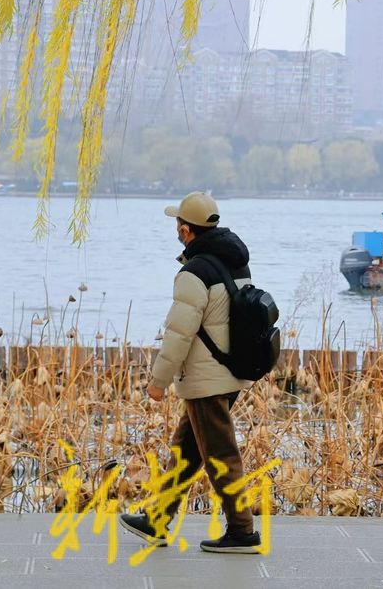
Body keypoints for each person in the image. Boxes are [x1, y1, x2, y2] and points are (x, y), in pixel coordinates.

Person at [119, 191, 260, 553]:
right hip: (229, 370)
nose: (177, 230)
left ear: (185, 230)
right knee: (186, 452)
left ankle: (242, 531)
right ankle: (157, 519)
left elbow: (179, 334)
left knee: (221, 456)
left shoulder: (194, 273)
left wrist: (158, 382)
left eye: (178, 225)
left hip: (205, 380)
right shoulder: (235, 263)